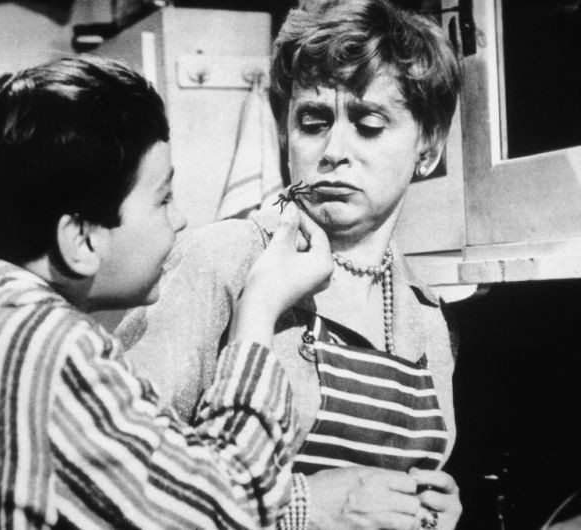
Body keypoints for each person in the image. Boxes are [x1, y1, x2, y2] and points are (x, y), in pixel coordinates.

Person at [0, 56, 335, 529]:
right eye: (163, 199)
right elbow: (227, 507)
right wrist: (258, 310)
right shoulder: (51, 356)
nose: (180, 219)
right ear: (81, 240)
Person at [116, 1, 463, 528]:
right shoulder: (224, 260)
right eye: (312, 122)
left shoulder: (428, 316)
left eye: (369, 124)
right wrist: (300, 508)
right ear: (285, 134)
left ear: (429, 147)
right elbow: (118, 485)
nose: (334, 150)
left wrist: (427, 511)